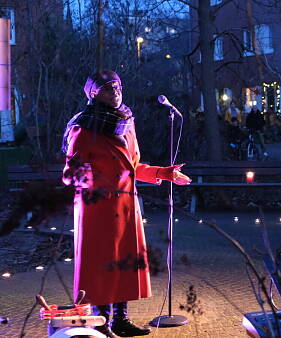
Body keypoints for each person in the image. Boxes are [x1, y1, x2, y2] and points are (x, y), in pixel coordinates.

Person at [61, 70, 192, 338]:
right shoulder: (83, 127)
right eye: (109, 88)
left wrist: (164, 173)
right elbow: (69, 174)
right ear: (94, 93)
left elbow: (133, 166)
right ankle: (103, 322)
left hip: (125, 206)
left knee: (124, 263)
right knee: (101, 264)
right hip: (97, 208)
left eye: (118, 87)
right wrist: (90, 178)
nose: (116, 92)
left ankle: (121, 319)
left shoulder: (126, 123)